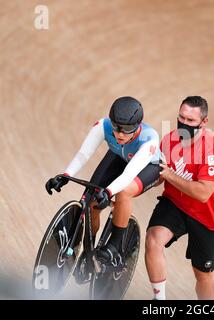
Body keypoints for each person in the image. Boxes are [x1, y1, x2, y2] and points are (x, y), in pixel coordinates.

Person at [45, 96, 161, 282]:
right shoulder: (103, 125)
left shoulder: (150, 139)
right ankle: (89, 251)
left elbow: (129, 174)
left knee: (123, 192)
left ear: (138, 126)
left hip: (147, 167)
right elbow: (84, 154)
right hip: (119, 157)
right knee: (91, 200)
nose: (120, 134)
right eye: (116, 127)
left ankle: (114, 246)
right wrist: (65, 175)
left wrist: (108, 192)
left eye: (127, 130)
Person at [145, 96, 214, 300]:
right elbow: (158, 175)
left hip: (207, 216)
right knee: (153, 240)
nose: (184, 123)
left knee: (202, 274)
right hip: (175, 203)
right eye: (181, 117)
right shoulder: (170, 139)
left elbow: (202, 193)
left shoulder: (213, 150)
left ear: (204, 122)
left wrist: (168, 175)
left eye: (190, 120)